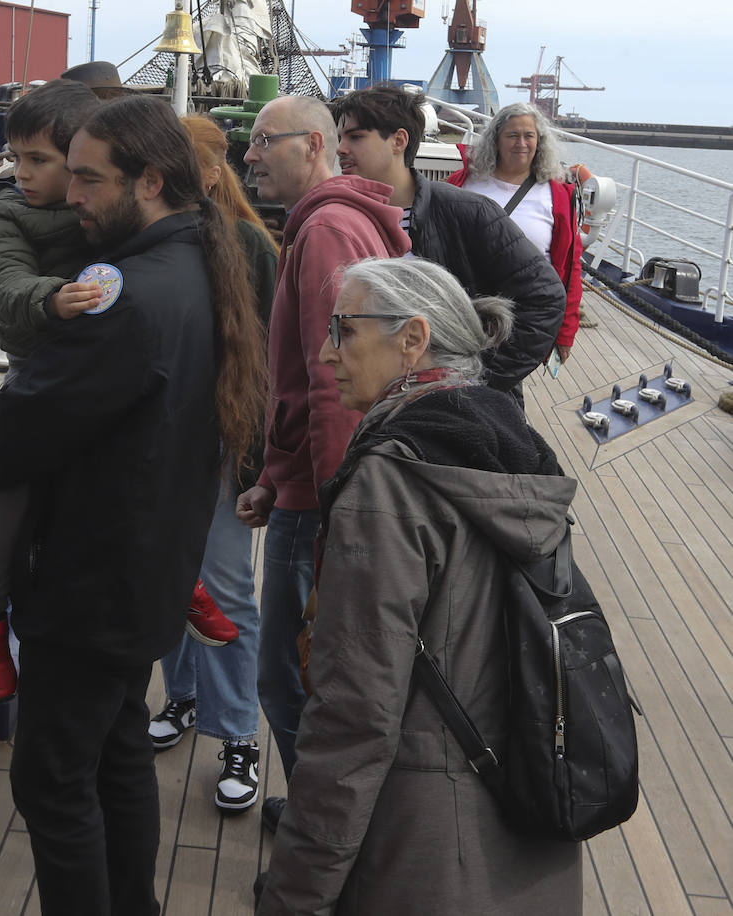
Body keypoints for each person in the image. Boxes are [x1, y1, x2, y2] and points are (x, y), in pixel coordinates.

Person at [0, 95, 266, 915]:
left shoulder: (125, 301)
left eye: (91, 180)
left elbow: (3, 446)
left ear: (151, 181)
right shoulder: (202, 266)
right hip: (150, 574)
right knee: (118, 751)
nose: (72, 196)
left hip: (91, 584)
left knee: (54, 780)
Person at [256, 256, 582, 914]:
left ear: (413, 339)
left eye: (343, 330)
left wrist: (295, 895)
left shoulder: (388, 486)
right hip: (528, 834)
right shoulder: (516, 448)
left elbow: (353, 719)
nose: (324, 354)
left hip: (423, 849)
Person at [235, 95, 409, 833]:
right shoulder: (333, 224)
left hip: (325, 502)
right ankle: (329, 816)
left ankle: (327, 833)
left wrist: (337, 511)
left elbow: (338, 381)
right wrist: (274, 476)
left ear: (312, 145)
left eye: (262, 141)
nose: (249, 156)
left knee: (291, 676)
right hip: (306, 489)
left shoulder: (327, 232)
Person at [147, 114, 278, 813]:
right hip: (161, 445)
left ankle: (238, 735)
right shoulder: (149, 241)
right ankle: (184, 695)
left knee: (225, 589)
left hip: (222, 441)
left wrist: (258, 456)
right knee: (170, 577)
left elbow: (268, 359)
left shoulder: (252, 246)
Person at [0, 78, 103, 701]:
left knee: (136, 480)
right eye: (16, 157)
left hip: (104, 378)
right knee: (13, 497)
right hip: (40, 380)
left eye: (37, 159)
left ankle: (180, 585)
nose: (21, 172)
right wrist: (49, 298)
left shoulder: (104, 205)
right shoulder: (6, 212)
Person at [329, 85, 566, 399]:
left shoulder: (467, 212)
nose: (341, 149)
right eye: (340, 137)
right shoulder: (341, 219)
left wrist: (477, 377)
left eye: (356, 137)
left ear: (399, 141)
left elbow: (545, 296)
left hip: (454, 408)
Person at [447, 102, 583, 364]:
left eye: (529, 135)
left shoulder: (557, 195)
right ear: (496, 139)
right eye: (512, 135)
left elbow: (570, 267)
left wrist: (565, 332)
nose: (521, 143)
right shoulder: (464, 183)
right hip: (466, 311)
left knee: (505, 387)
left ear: (539, 141)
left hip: (528, 317)